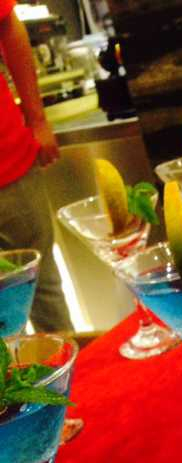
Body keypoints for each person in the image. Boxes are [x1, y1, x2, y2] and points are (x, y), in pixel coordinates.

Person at [0, 0, 72, 331]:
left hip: (7, 164)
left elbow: (7, 24)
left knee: (41, 292)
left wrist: (37, 119)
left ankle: (66, 366)